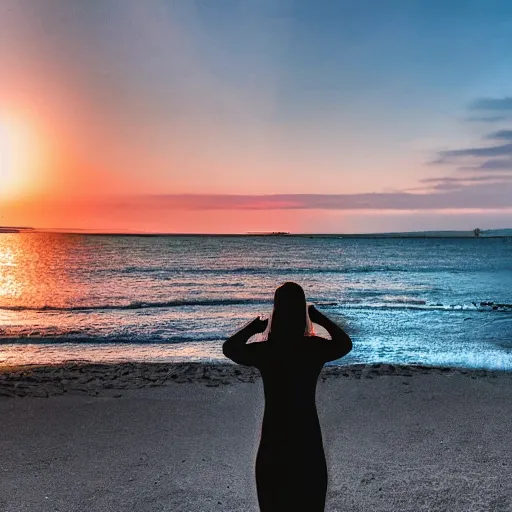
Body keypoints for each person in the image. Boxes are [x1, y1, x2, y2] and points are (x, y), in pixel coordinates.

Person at [222, 282, 352, 511]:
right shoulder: (313, 348)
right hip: (307, 443)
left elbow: (230, 348)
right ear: (302, 311)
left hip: (274, 443)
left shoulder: (268, 350)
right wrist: (318, 318)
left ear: (276, 311)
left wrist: (253, 328)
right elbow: (344, 344)